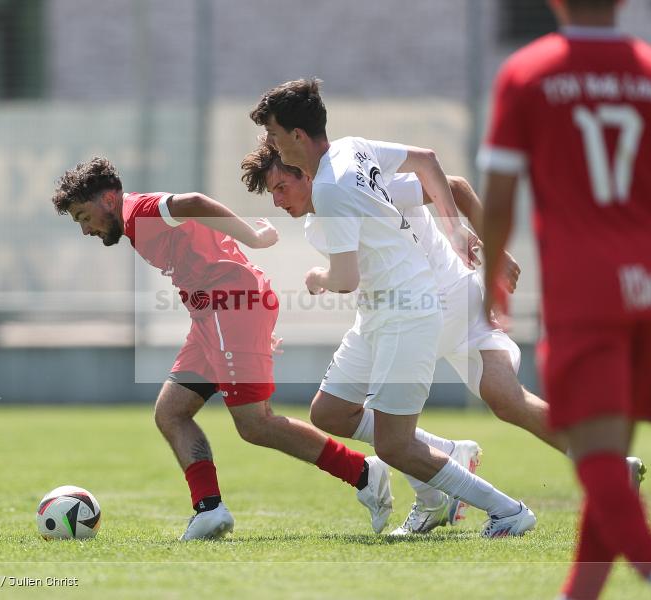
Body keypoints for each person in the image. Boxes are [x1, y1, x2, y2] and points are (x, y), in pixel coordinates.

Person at [478, 1, 651, 598]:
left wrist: (492, 275)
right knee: (610, 456)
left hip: (586, 289)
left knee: (595, 459)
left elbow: (498, 199)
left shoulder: (528, 74)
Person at [241, 142, 647, 535]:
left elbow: (452, 187)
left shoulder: (350, 186)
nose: (277, 200)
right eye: (271, 191)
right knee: (335, 413)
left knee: (408, 433)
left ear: (307, 174)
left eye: (282, 186)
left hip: (433, 305)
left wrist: (493, 251)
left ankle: (469, 498)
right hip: (419, 307)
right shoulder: (322, 215)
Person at [50, 156, 395, 541]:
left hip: (229, 309)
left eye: (84, 216)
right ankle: (209, 509)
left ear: (109, 200)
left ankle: (364, 472)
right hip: (214, 319)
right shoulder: (133, 222)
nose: (85, 230)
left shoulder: (141, 211)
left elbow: (194, 201)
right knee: (171, 412)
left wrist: (255, 237)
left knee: (255, 423)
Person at [249, 78, 536, 537]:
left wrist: (315, 279)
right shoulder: (352, 150)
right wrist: (455, 230)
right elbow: (427, 160)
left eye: (277, 137)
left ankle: (507, 511)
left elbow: (344, 279)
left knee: (394, 445)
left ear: (298, 138)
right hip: (380, 313)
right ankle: (447, 459)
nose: (275, 145)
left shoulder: (331, 190)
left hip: (408, 308)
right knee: (330, 412)